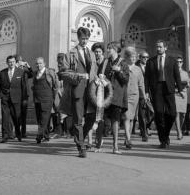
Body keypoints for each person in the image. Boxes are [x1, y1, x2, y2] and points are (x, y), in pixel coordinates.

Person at [59, 27, 97, 158]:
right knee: (78, 119)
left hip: (90, 90)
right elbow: (64, 72)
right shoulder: (70, 54)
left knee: (92, 118)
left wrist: (98, 81)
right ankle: (81, 147)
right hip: (77, 90)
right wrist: (78, 76)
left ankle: (79, 136)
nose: (84, 41)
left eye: (86, 39)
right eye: (82, 39)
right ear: (78, 38)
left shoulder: (91, 54)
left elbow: (94, 71)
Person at [145, 39, 183, 149]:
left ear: (165, 48)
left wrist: (180, 90)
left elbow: (177, 76)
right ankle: (163, 140)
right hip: (156, 89)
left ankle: (166, 134)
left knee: (172, 114)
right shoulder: (150, 61)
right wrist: (147, 91)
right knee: (159, 114)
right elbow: (146, 78)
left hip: (169, 89)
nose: (158, 49)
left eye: (160, 47)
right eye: (157, 47)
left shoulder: (172, 61)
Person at [104, 42, 129, 154]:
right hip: (105, 94)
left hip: (117, 96)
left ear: (114, 49)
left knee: (115, 120)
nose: (108, 50)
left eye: (109, 48)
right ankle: (98, 143)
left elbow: (125, 80)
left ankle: (115, 146)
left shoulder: (123, 63)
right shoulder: (106, 62)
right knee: (102, 118)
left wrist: (119, 71)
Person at [0, 55, 28, 143]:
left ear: (15, 62)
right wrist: (1, 95)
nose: (11, 64)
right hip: (5, 99)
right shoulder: (2, 73)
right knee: (5, 118)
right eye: (10, 62)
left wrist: (23, 98)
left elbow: (24, 87)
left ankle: (18, 134)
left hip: (17, 99)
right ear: (7, 63)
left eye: (13, 62)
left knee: (16, 118)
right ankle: (5, 136)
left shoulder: (21, 72)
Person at [32, 57, 59, 143]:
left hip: (47, 99)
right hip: (37, 99)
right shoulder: (35, 73)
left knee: (44, 118)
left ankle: (39, 136)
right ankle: (46, 136)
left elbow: (56, 86)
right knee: (40, 118)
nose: (38, 65)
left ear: (44, 64)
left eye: (40, 63)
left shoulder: (49, 72)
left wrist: (52, 97)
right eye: (37, 63)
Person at [123, 47, 145, 149]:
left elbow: (141, 84)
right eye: (131, 57)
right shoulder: (123, 66)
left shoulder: (138, 69)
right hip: (125, 95)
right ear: (127, 57)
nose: (133, 59)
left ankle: (128, 137)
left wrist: (144, 96)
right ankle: (128, 139)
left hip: (135, 96)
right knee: (127, 117)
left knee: (131, 118)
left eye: (134, 57)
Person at [136, 51, 153, 141]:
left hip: (149, 93)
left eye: (147, 57)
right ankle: (144, 133)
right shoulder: (136, 66)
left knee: (152, 112)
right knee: (141, 114)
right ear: (140, 57)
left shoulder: (150, 67)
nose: (146, 59)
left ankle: (146, 126)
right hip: (139, 93)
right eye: (143, 57)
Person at [15, 55, 33, 138]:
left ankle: (23, 132)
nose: (21, 62)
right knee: (16, 114)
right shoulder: (14, 70)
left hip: (25, 95)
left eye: (21, 60)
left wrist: (28, 66)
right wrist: (17, 66)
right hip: (17, 95)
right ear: (16, 62)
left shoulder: (25, 71)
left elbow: (32, 74)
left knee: (24, 114)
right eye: (19, 61)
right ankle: (17, 131)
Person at [174, 56, 190, 140]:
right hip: (176, 93)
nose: (178, 63)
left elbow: (187, 83)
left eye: (180, 62)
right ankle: (179, 132)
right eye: (177, 62)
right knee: (177, 112)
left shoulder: (185, 73)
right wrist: (180, 85)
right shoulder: (173, 72)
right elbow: (172, 83)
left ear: (182, 63)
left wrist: (184, 84)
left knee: (183, 114)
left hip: (183, 94)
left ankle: (180, 128)